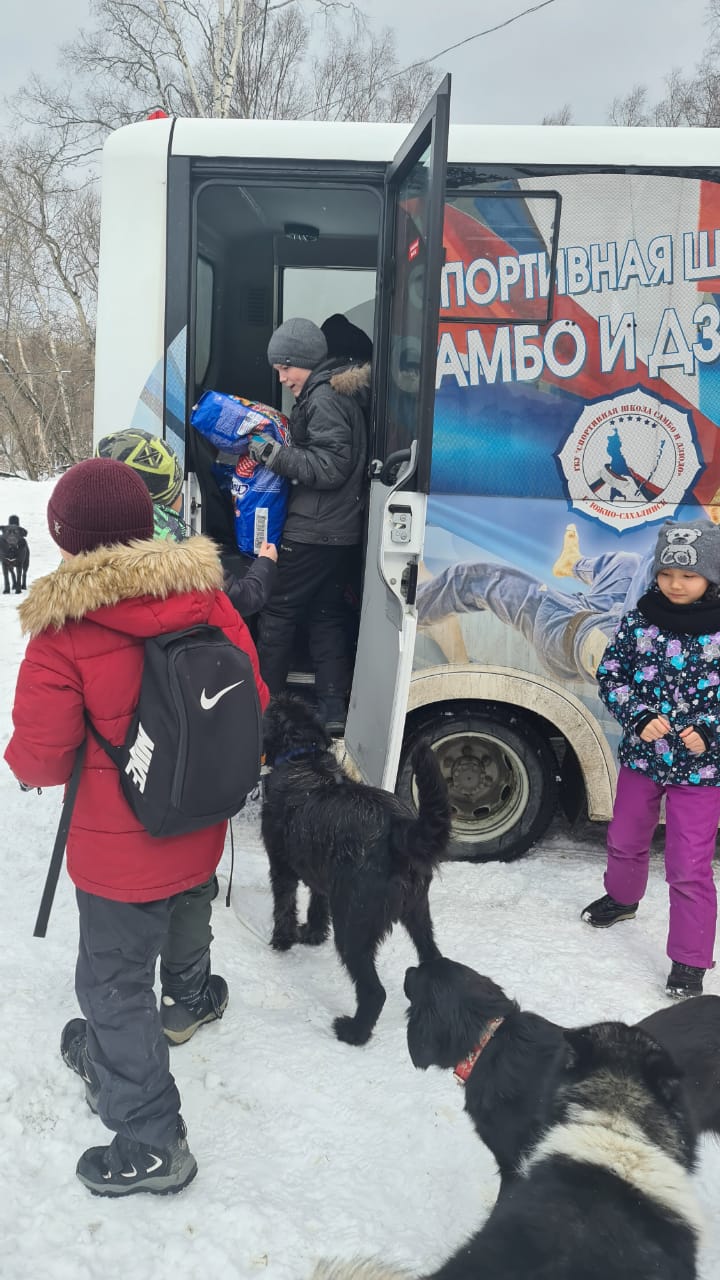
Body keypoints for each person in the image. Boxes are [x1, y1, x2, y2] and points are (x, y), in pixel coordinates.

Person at [4, 457, 269, 1196]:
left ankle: (151, 1140)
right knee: (188, 901)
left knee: (114, 983)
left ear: (63, 538)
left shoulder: (63, 632)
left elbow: (45, 757)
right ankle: (189, 999)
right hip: (200, 817)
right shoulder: (207, 598)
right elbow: (256, 693)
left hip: (119, 851)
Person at [581, 519, 720, 1000]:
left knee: (688, 865)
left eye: (688, 576)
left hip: (702, 772)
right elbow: (611, 672)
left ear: (711, 578)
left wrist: (710, 729)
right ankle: (622, 898)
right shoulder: (640, 619)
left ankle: (690, 959)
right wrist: (637, 715)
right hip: (643, 757)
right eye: (666, 574)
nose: (675, 584)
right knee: (624, 837)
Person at [248, 317, 370, 733]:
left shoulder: (323, 399)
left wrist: (273, 455)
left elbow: (331, 466)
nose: (282, 378)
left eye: (286, 368)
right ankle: (334, 710)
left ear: (305, 360)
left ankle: (265, 711)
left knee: (277, 613)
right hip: (338, 531)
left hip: (313, 529)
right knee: (325, 615)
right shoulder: (333, 391)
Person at [95, 427, 278, 618]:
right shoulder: (187, 557)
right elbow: (244, 598)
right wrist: (265, 563)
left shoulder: (86, 543)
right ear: (171, 496)